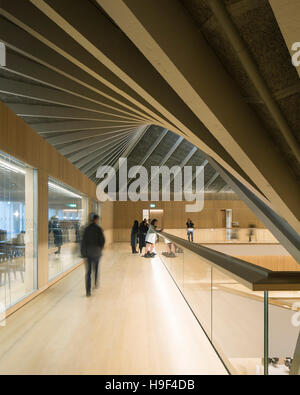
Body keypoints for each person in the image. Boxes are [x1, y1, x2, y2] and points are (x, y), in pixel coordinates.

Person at [81, 214, 105, 297]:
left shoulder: (86, 229)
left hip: (88, 253)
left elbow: (83, 242)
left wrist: (83, 253)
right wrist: (100, 248)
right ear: (96, 220)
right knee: (96, 268)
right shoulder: (98, 229)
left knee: (88, 272)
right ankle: (95, 282)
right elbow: (102, 241)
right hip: (96, 252)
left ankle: (88, 291)